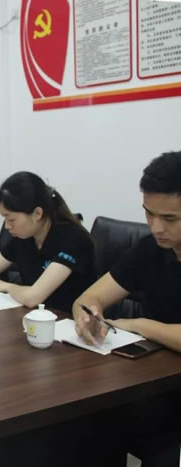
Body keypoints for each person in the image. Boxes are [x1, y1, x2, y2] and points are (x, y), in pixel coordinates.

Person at [73, 151, 181, 467]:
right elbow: (88, 297)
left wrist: (140, 325)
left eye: (170, 218)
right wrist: (89, 316)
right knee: (87, 426)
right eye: (149, 213)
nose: (156, 227)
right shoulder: (150, 249)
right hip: (156, 384)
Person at [0, 172, 95, 310]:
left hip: (68, 322)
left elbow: (33, 297)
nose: (7, 226)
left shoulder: (73, 239)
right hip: (32, 317)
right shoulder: (24, 236)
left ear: (37, 214)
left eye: (11, 219)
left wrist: (7, 287)